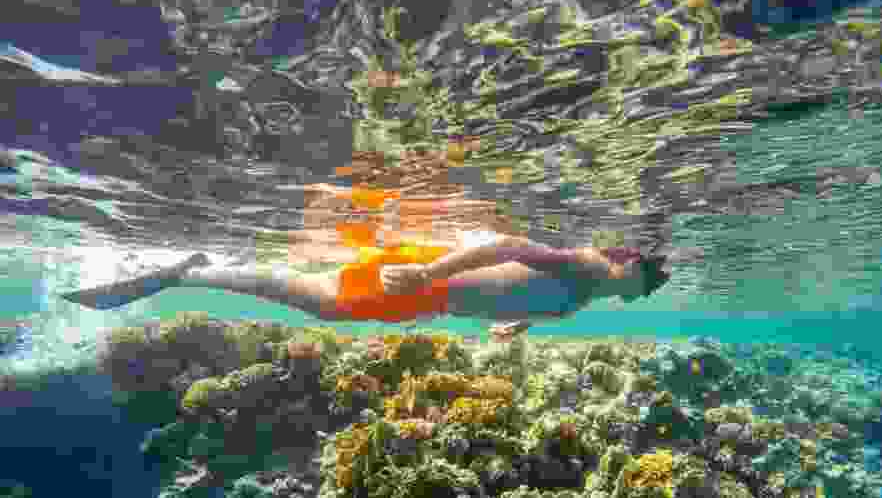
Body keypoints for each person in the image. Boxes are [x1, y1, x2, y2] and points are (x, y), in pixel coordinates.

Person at [58, 223, 672, 323]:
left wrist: (523, 325)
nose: (636, 297)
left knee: (319, 294)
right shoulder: (591, 264)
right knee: (320, 298)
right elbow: (505, 243)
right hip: (423, 285)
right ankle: (190, 272)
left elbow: (536, 295)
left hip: (427, 295)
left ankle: (198, 270)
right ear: (631, 265)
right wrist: (428, 271)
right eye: (643, 287)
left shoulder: (590, 289)